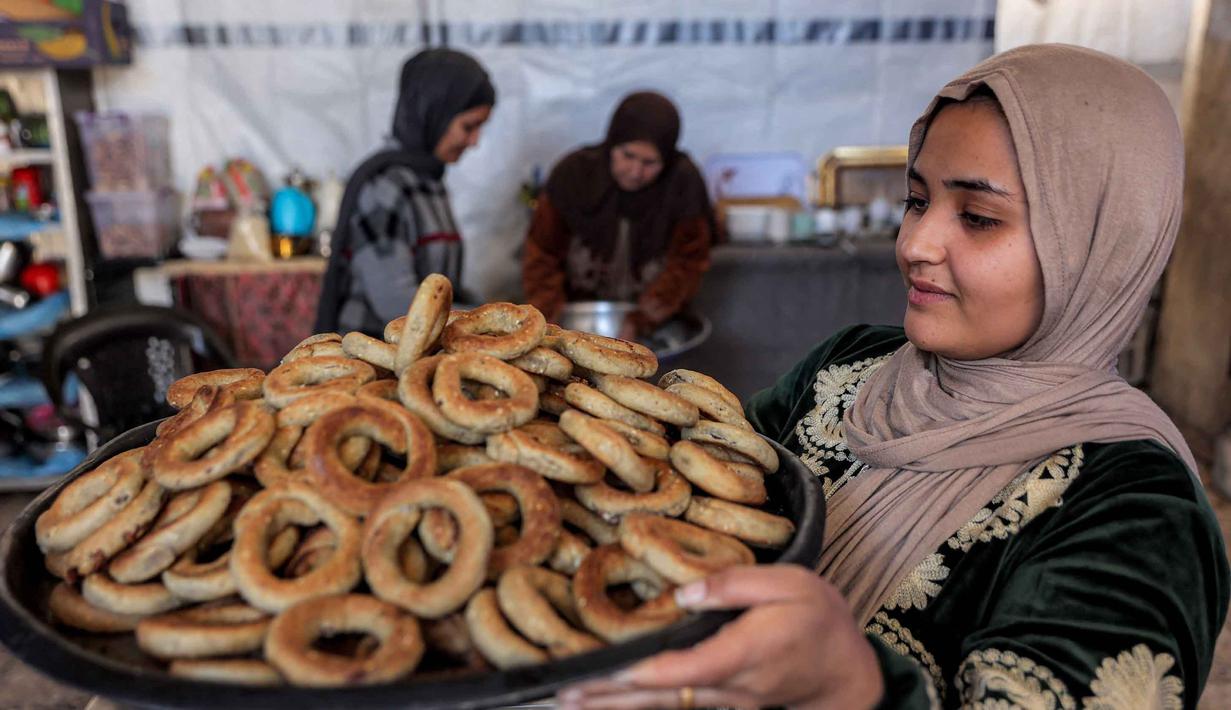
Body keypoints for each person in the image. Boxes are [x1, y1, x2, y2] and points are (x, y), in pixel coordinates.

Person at [559, 45, 1229, 709]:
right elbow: (679, 489)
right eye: (916, 199)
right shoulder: (845, 367)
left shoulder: (1136, 509)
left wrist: (852, 686)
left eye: (977, 217)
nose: (913, 245)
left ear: (1098, 250)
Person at [315, 48, 495, 335]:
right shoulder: (385, 187)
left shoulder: (428, 182)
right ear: (433, 112)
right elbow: (395, 303)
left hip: (420, 349)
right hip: (377, 358)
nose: (474, 141)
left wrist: (487, 310)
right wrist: (480, 322)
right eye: (468, 126)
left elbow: (444, 287)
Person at [522, 91, 715, 340]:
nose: (635, 172)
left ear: (666, 160)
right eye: (628, 155)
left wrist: (643, 318)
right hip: (576, 319)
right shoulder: (574, 175)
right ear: (612, 143)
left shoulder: (682, 182)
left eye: (650, 163)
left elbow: (688, 262)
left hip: (653, 327)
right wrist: (549, 322)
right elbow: (541, 254)